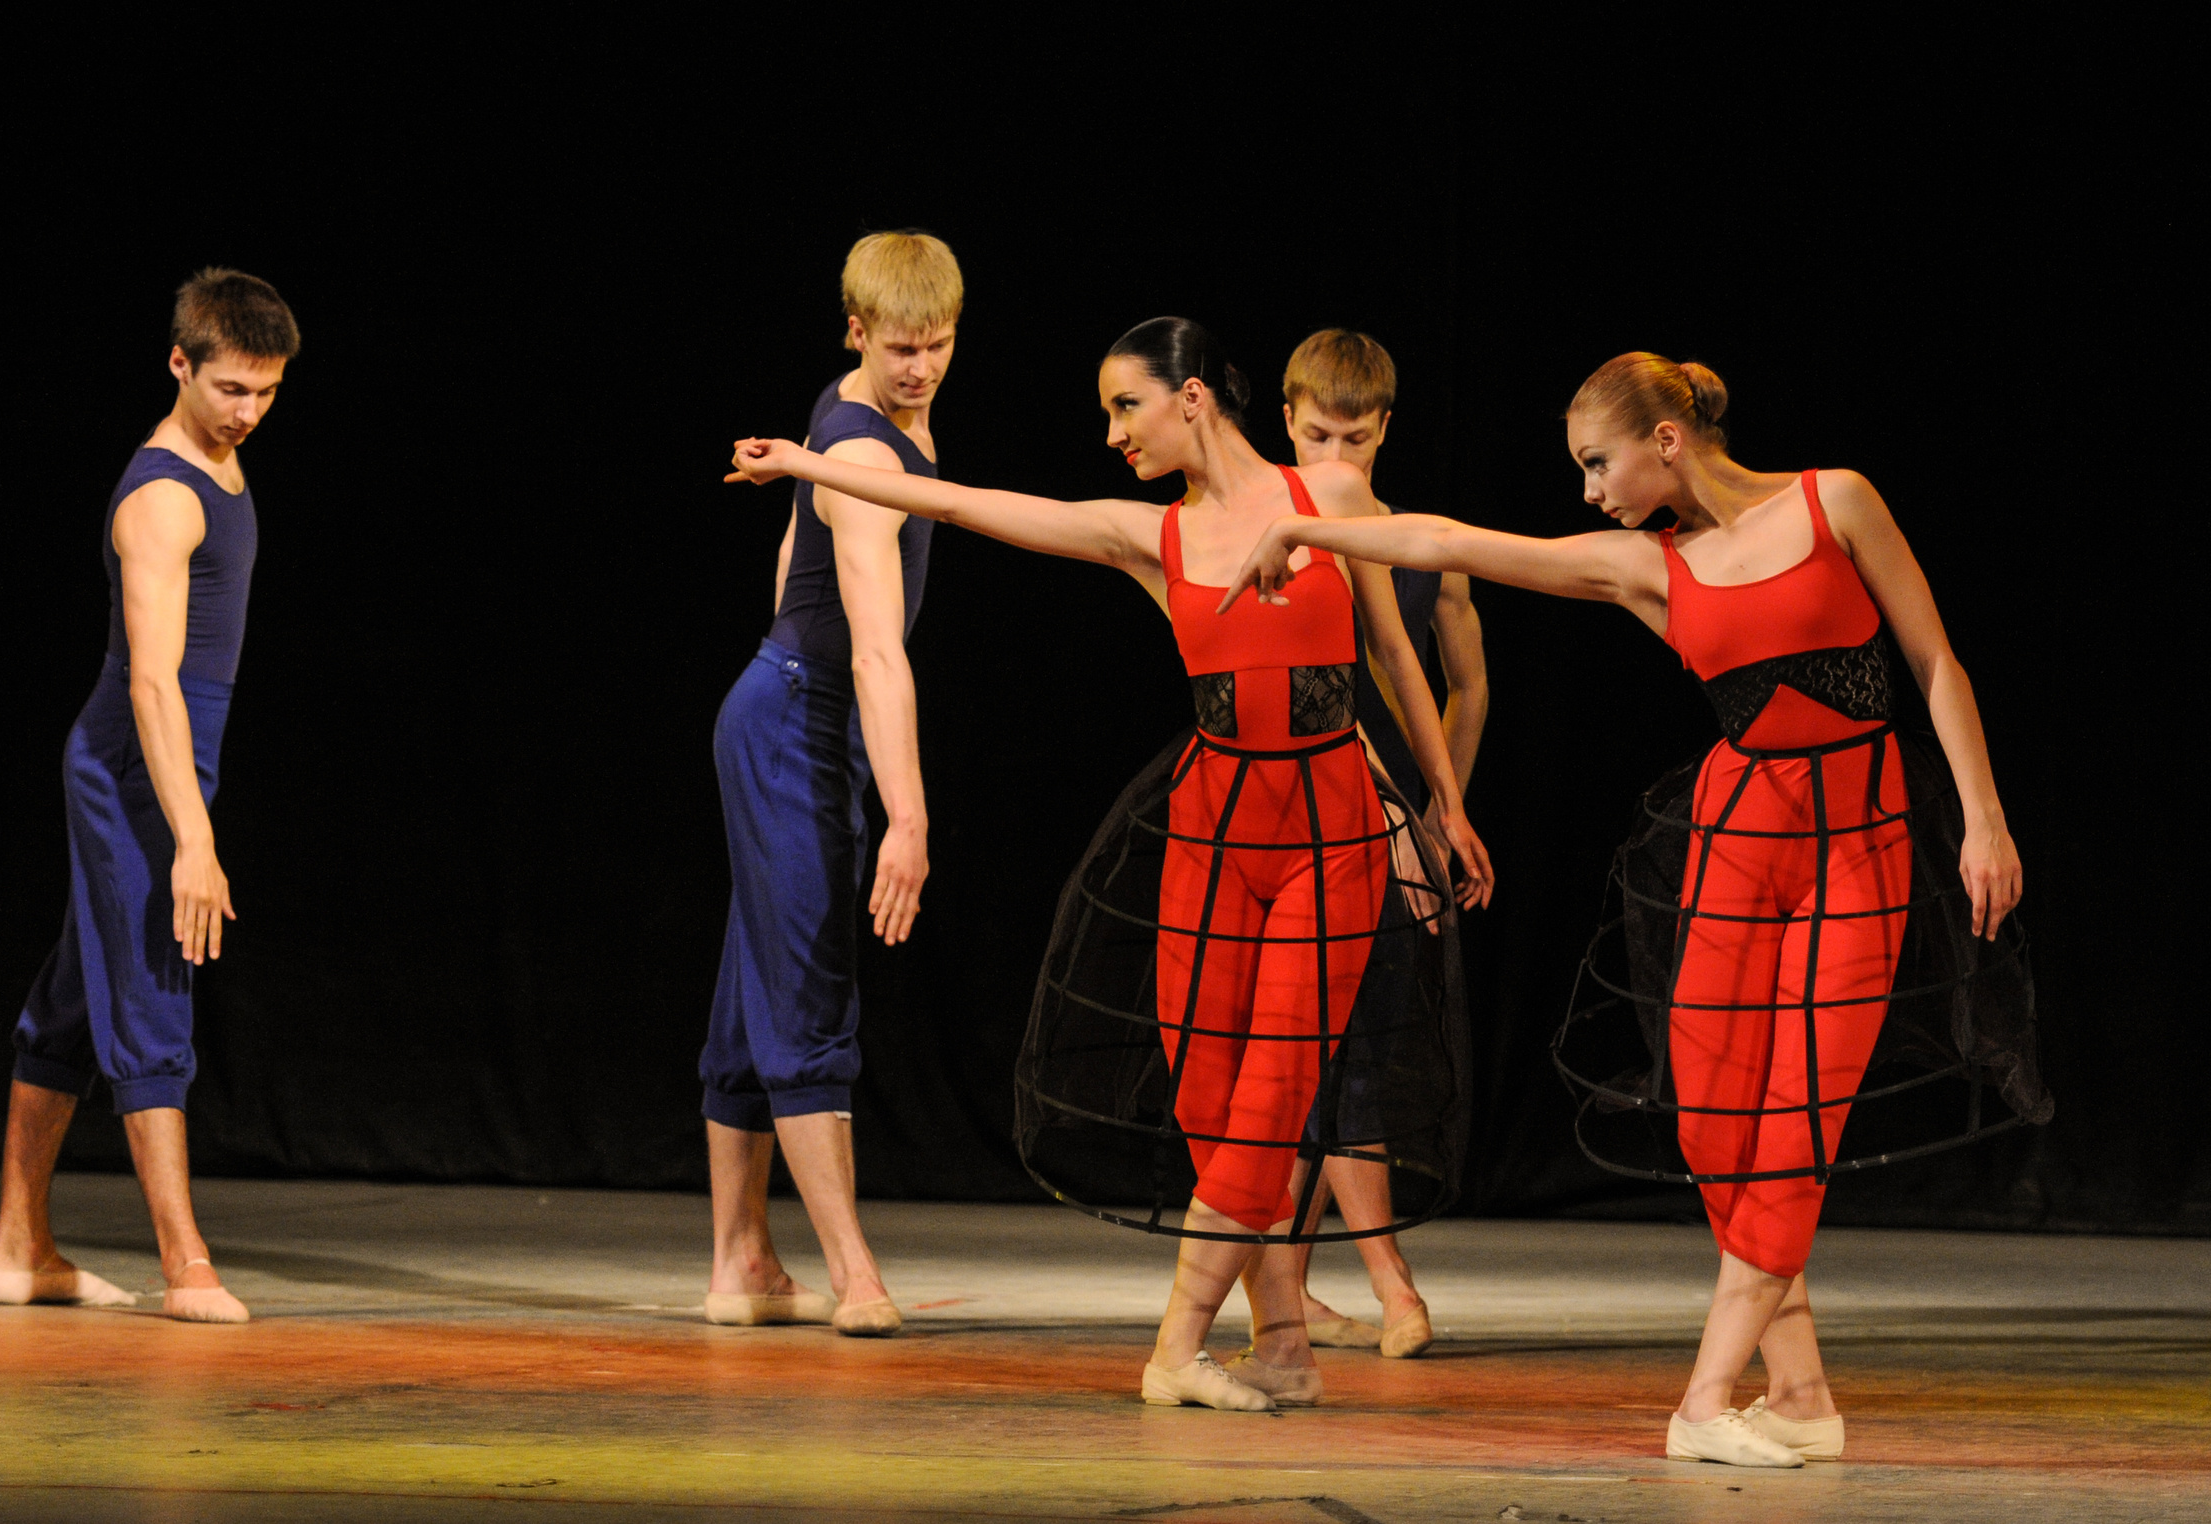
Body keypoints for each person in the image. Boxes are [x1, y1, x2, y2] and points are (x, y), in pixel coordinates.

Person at [1220, 350, 2040, 1465]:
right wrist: (1311, 531)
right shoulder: (1648, 567)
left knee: (1794, 1124)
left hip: (1858, 844)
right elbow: (1457, 542)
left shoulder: (1832, 498)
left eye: (1598, 463)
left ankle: (1705, 1395)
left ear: (1664, 439)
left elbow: (1935, 659)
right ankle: (1798, 1394)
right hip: (1737, 843)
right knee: (1710, 1120)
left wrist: (1982, 815)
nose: (1590, 491)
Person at [728, 316, 1492, 1411]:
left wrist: (1442, 803)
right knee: (1214, 1092)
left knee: (1277, 1089)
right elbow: (974, 506)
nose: (1110, 432)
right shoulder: (1153, 536)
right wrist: (807, 462)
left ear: (1193, 398)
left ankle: (1176, 1346)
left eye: (1124, 406)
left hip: (1329, 830)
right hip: (1214, 831)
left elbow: (1395, 657)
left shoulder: (1329, 496)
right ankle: (1279, 1336)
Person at [0, 268, 300, 1325]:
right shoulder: (164, 494)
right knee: (158, 979)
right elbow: (153, 682)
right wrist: (192, 838)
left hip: (170, 755)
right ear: (180, 362)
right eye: (229, 390)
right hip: (136, 761)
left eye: (265, 391)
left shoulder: (224, 466)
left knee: (76, 1000)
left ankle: (20, 1252)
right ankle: (186, 1262)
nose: (246, 412)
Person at [700, 231, 960, 1339]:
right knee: (808, 979)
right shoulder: (868, 456)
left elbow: (783, 558)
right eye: (900, 347)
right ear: (856, 330)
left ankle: (742, 1262)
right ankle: (852, 1269)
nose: (920, 367)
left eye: (938, 345)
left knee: (752, 979)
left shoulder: (858, 414)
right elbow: (874, 649)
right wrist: (905, 808)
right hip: (802, 712)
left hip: (796, 709)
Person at [1273, 328, 1489, 1361]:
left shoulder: (1414, 539)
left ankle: (1299, 1281)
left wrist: (1440, 807)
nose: (1335, 461)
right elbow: (1325, 690)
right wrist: (1400, 818)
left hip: (1396, 814)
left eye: (1354, 440)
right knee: (1313, 1048)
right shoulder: (1279, 531)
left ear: (1385, 430)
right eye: (1317, 436)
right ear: (1285, 422)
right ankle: (1386, 1283)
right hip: (1301, 812)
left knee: (1360, 1041)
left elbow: (1467, 682)